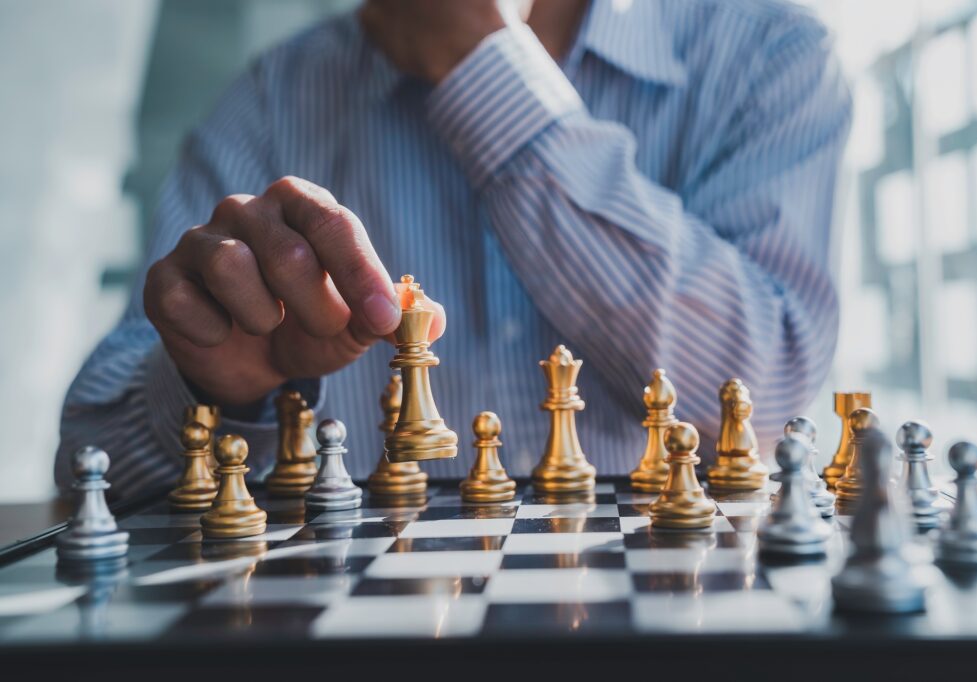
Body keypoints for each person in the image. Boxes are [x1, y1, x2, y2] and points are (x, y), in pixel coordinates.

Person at [58, 0, 851, 497]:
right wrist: (216, 392)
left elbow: (761, 399)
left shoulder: (769, 55)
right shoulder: (273, 97)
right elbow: (90, 461)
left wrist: (483, 68)